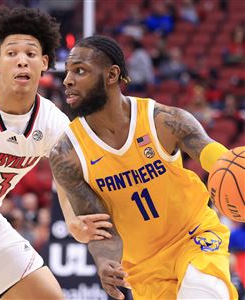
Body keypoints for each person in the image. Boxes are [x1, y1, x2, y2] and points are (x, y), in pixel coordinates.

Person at [49, 35, 239, 299]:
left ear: (111, 75)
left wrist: (231, 167)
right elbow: (99, 227)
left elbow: (215, 158)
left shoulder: (165, 121)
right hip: (142, 267)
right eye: (68, 71)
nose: (67, 80)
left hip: (193, 236)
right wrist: (105, 263)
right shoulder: (66, 155)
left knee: (203, 292)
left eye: (79, 71)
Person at [0, 7, 112, 300]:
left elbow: (66, 181)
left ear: (45, 62)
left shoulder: (53, 123)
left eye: (31, 54)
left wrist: (73, 219)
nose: (22, 60)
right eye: (12, 53)